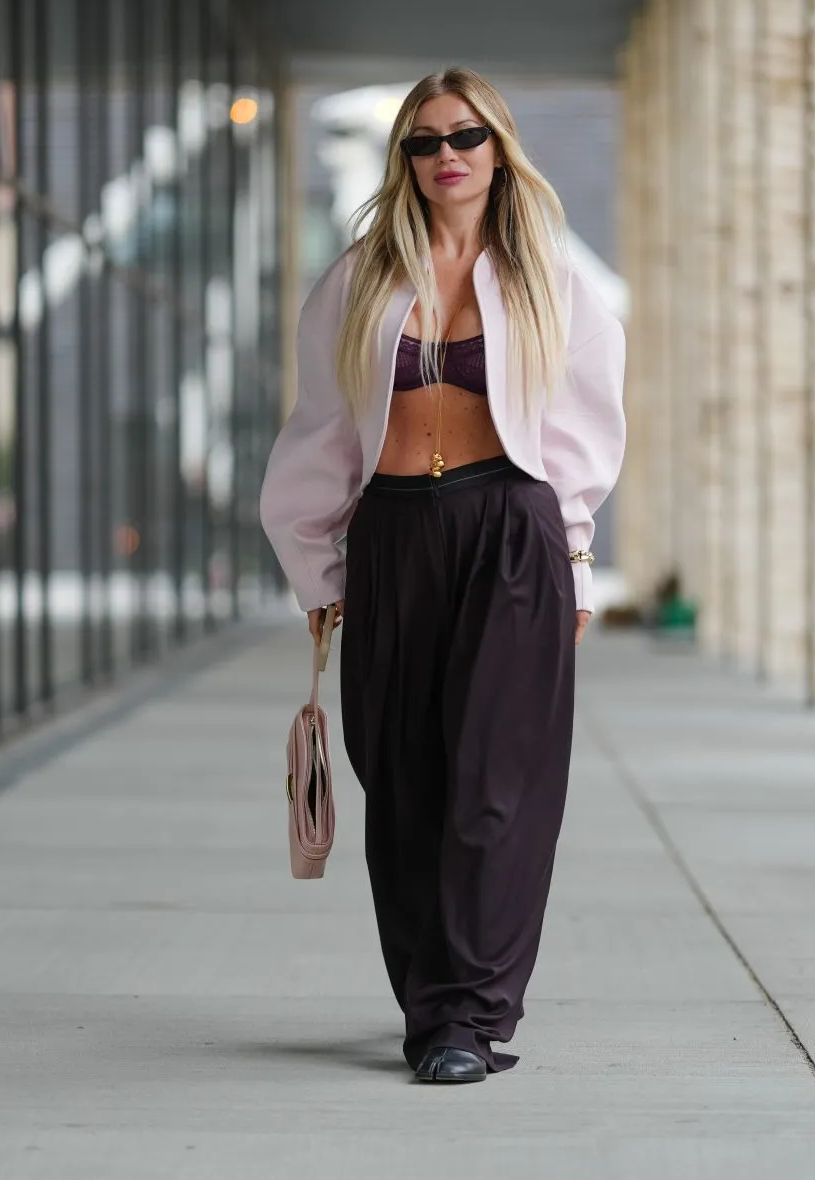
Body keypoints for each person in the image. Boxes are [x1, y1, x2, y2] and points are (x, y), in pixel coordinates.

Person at [259, 67, 626, 1084]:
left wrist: (577, 562)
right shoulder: (358, 281)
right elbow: (320, 433)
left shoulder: (551, 283)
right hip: (390, 538)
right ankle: (429, 994)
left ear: (499, 148)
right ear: (403, 160)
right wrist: (316, 564)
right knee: (402, 775)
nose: (443, 155)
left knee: (492, 784)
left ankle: (465, 1012)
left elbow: (582, 438)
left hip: (508, 531)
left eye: (462, 135)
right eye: (421, 142)